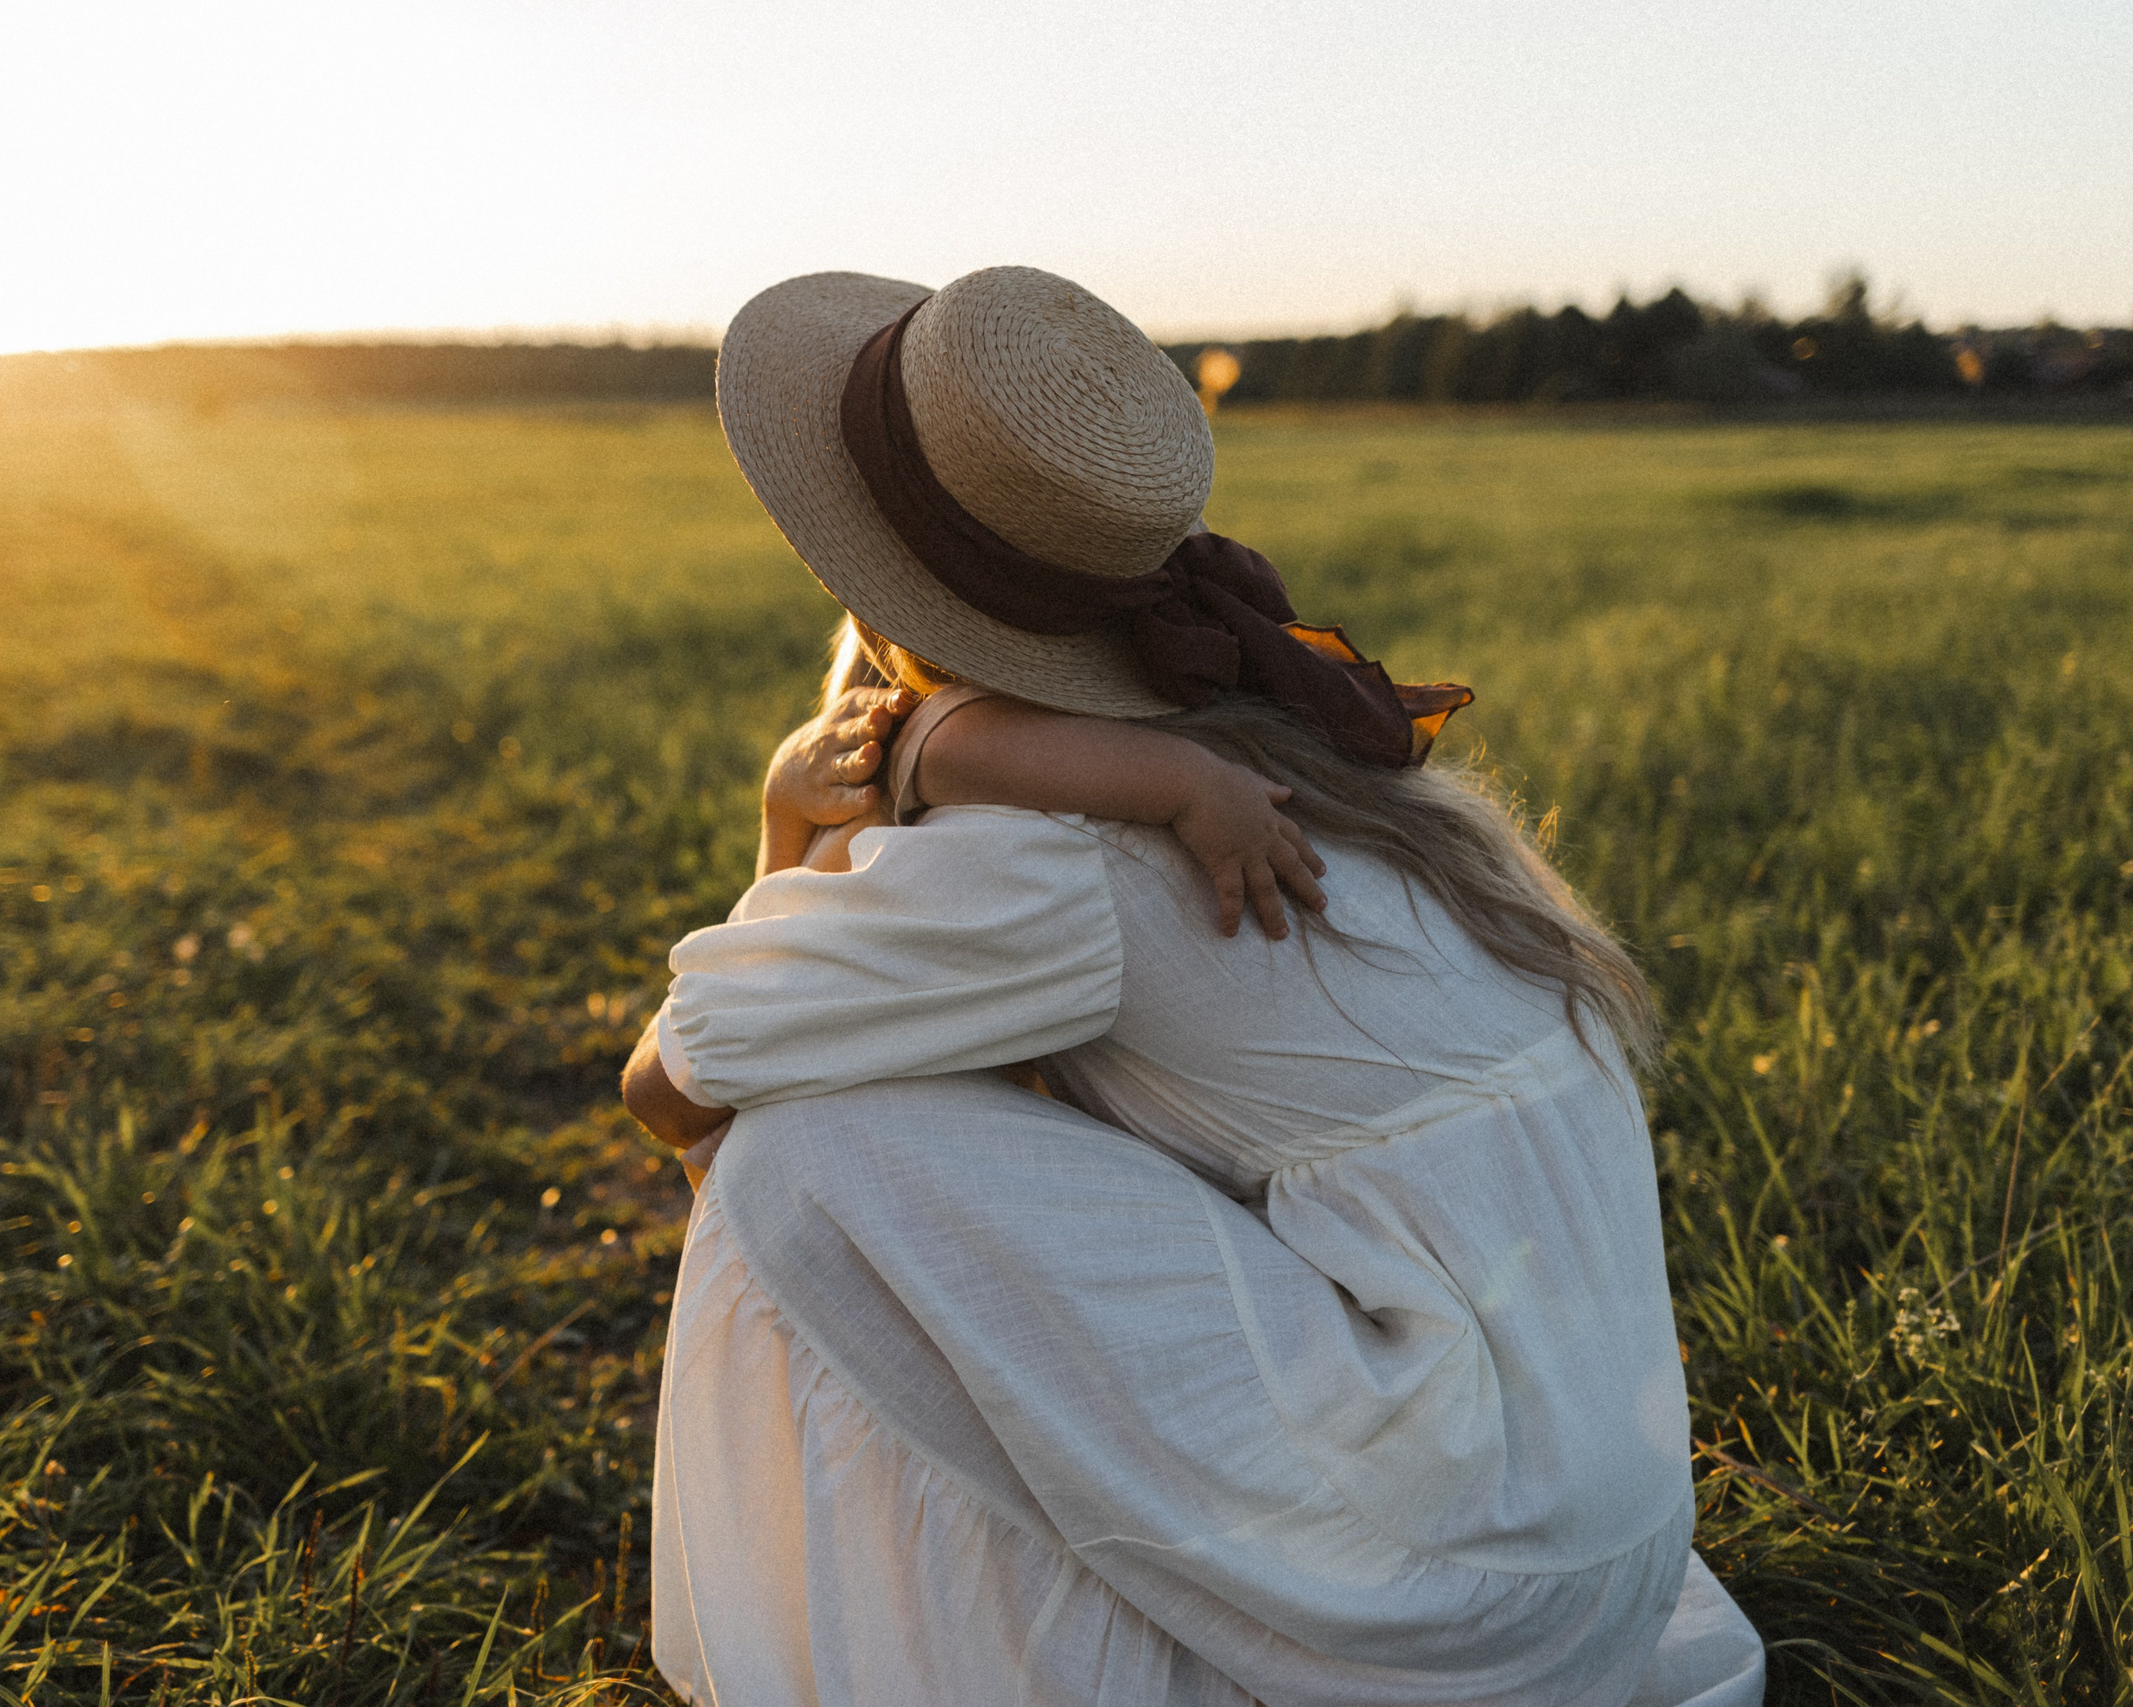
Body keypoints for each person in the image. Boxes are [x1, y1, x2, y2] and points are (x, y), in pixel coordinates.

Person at [624, 265, 1766, 1706]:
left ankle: (945, 1655)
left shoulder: (1052, 856)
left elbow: (677, 1080)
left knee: (792, 1157)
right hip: (1592, 1546)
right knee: (859, 1116)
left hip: (1457, 1573)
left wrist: (791, 828)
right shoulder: (1283, 746)